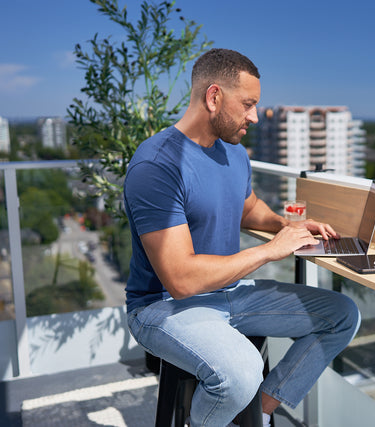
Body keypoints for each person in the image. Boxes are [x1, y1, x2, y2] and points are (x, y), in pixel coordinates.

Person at [124, 48, 361, 427]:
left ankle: (255, 415)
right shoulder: (157, 165)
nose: (254, 116)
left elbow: (248, 207)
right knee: (242, 370)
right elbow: (181, 279)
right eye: (248, 104)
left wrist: (288, 226)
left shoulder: (233, 154)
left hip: (228, 294)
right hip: (162, 306)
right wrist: (271, 251)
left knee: (342, 315)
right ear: (214, 96)